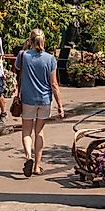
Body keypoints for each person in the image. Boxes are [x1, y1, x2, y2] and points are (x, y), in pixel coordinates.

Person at [15, 28, 65, 177]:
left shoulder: (23, 55)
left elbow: (17, 68)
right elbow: (54, 84)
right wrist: (60, 106)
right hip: (44, 99)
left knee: (26, 132)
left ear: (30, 40)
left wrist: (25, 48)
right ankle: (37, 166)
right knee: (39, 132)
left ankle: (28, 157)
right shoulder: (50, 59)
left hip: (28, 99)